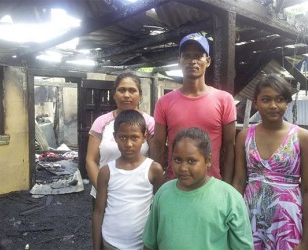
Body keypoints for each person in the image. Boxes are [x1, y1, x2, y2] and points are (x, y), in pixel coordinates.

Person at [232, 74, 308, 249]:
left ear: (287, 102)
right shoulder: (244, 136)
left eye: (280, 99)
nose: (273, 106)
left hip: (287, 221)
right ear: (256, 103)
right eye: (266, 99)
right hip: (251, 217)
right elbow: (239, 182)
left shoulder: (303, 138)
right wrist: (232, 221)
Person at [143, 127, 253, 249]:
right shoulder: (163, 193)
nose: (183, 168)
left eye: (191, 161)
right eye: (178, 160)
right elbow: (150, 243)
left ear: (208, 161)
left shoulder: (229, 198)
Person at [151, 33, 236, 183]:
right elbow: (158, 147)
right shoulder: (164, 102)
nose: (192, 61)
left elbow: (229, 147)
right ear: (180, 61)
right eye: (187, 56)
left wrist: (227, 185)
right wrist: (158, 186)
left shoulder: (224, 100)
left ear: (208, 61)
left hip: (212, 185)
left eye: (198, 56)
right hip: (175, 185)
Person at [92, 110, 164, 250]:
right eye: (123, 137)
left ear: (144, 137)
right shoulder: (106, 172)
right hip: (110, 243)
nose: (129, 144)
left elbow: (159, 210)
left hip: (142, 245)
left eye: (134, 137)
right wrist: (96, 247)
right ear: (115, 137)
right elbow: (98, 211)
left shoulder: (154, 170)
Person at [86, 72, 155, 203]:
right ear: (114, 94)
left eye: (132, 90)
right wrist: (102, 192)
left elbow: (155, 161)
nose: (126, 95)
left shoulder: (150, 123)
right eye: (121, 90)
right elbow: (91, 160)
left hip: (138, 196)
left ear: (140, 95)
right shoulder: (101, 122)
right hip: (104, 194)